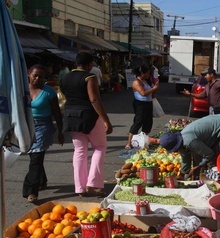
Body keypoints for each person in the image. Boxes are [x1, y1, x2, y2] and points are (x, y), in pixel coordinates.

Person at [61, 52, 113, 197]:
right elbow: (95, 100)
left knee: (79, 151)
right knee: (100, 147)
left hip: (71, 116)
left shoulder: (65, 77)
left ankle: (80, 188)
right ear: (89, 64)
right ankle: (94, 184)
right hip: (89, 116)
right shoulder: (90, 77)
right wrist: (105, 120)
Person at [156, 112, 220, 179]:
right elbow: (185, 157)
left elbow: (209, 154)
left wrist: (198, 166)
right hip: (218, 122)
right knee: (200, 156)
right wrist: (183, 173)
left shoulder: (189, 141)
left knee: (215, 158)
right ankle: (200, 176)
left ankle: (219, 181)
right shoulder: (182, 140)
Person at [23, 64, 64, 203]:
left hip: (43, 126)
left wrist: (60, 131)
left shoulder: (49, 92)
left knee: (36, 157)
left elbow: (57, 113)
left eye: (41, 76)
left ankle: (31, 191)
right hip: (26, 125)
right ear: (29, 74)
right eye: (35, 75)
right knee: (34, 157)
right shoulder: (21, 89)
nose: (38, 79)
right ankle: (42, 180)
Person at [125, 65, 159, 150]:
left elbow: (148, 91)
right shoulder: (137, 82)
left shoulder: (145, 81)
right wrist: (154, 89)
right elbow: (143, 93)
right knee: (138, 122)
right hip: (140, 104)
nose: (148, 74)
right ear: (142, 73)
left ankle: (143, 141)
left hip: (148, 104)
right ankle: (128, 143)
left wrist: (152, 93)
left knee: (148, 123)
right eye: (147, 73)